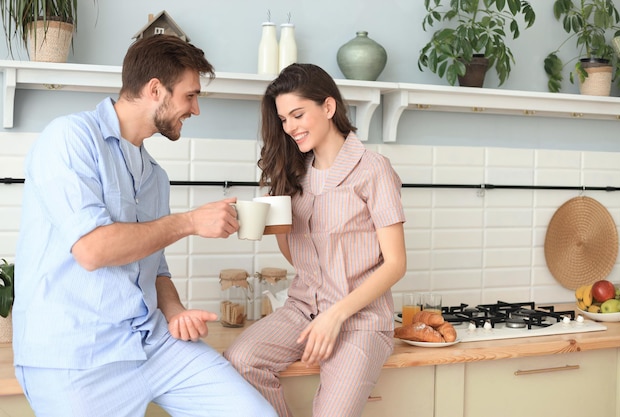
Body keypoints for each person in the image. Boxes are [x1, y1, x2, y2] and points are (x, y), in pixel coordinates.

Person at [13, 35, 277, 417]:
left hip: (152, 343)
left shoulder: (155, 176)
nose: (196, 109)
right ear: (155, 89)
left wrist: (175, 312)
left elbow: (156, 269)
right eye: (190, 95)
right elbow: (92, 250)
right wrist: (189, 222)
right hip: (76, 357)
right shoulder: (69, 138)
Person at [224, 63, 407, 417]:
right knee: (240, 359)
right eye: (283, 119)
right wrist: (273, 227)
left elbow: (396, 263)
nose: (290, 127)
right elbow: (304, 258)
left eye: (297, 114)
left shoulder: (373, 169)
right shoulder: (296, 173)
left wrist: (335, 315)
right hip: (302, 310)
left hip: (360, 322)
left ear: (328, 107)